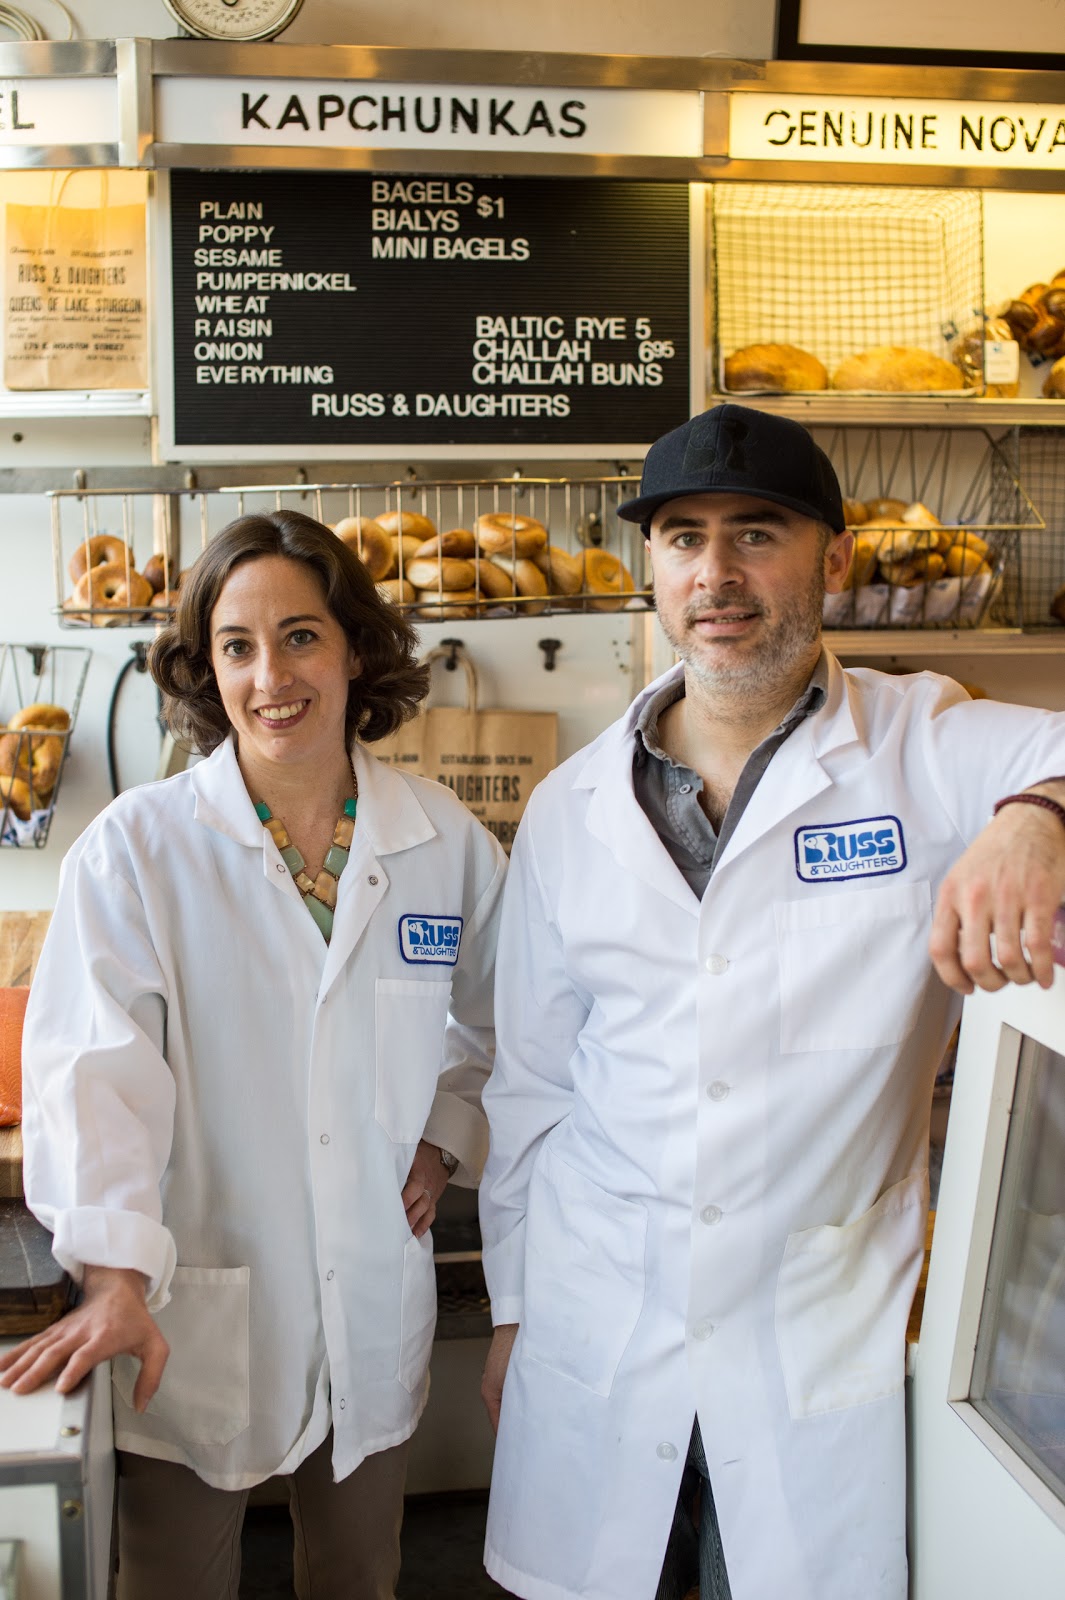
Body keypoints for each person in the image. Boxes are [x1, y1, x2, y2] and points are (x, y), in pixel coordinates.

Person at [476, 403, 1065, 1600]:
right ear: (653, 564)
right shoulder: (570, 808)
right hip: (600, 1324)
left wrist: (1035, 818)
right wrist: (511, 1309)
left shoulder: (918, 743)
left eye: (758, 534)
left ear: (834, 559)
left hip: (817, 1339)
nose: (716, 574)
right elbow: (532, 1085)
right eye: (685, 537)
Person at [0, 510, 506, 1600]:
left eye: (301, 636)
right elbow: (95, 1073)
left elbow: (502, 1019)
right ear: (205, 667)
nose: (269, 674)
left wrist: (445, 1133)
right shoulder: (139, 850)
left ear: (357, 648)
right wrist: (118, 1274)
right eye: (237, 645)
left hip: (373, 1294)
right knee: (177, 1580)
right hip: (194, 1311)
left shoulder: (443, 840)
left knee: (360, 1573)